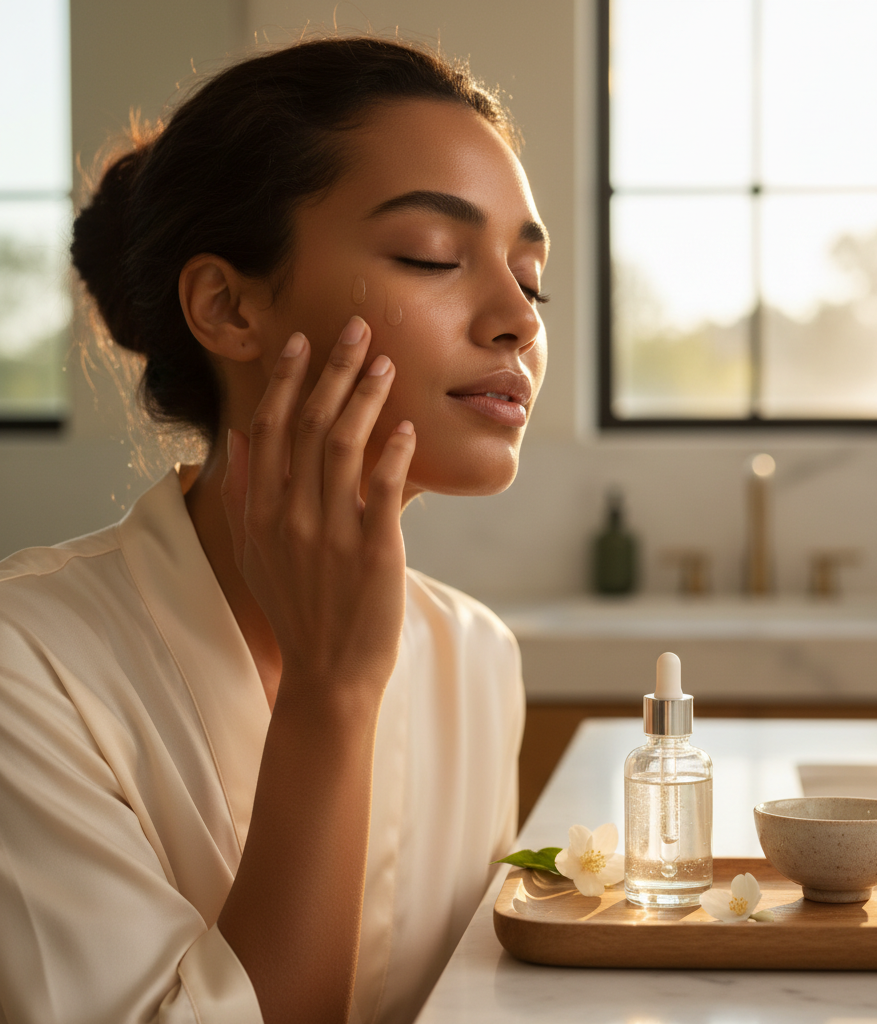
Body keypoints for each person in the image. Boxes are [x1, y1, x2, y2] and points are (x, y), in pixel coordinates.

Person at [0, 35, 548, 1024]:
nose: (518, 316)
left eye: (531, 275)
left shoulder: (477, 657)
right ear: (227, 305)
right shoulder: (25, 663)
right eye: (431, 254)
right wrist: (331, 696)